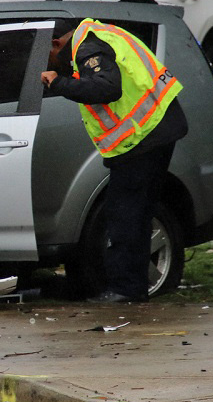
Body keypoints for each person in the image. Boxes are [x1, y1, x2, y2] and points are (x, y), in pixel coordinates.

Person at [42, 18, 188, 303]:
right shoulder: (101, 33)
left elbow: (107, 88)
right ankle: (133, 288)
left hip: (142, 138)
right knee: (137, 213)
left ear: (56, 43)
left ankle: (126, 290)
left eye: (46, 54)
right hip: (155, 131)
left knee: (124, 215)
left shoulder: (87, 49)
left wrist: (59, 83)